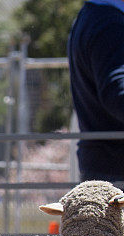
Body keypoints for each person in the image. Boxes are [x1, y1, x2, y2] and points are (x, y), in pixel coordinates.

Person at [67, 0, 124, 181]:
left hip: (103, 170)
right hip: (115, 175)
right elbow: (118, 96)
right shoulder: (110, 25)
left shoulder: (93, 16)